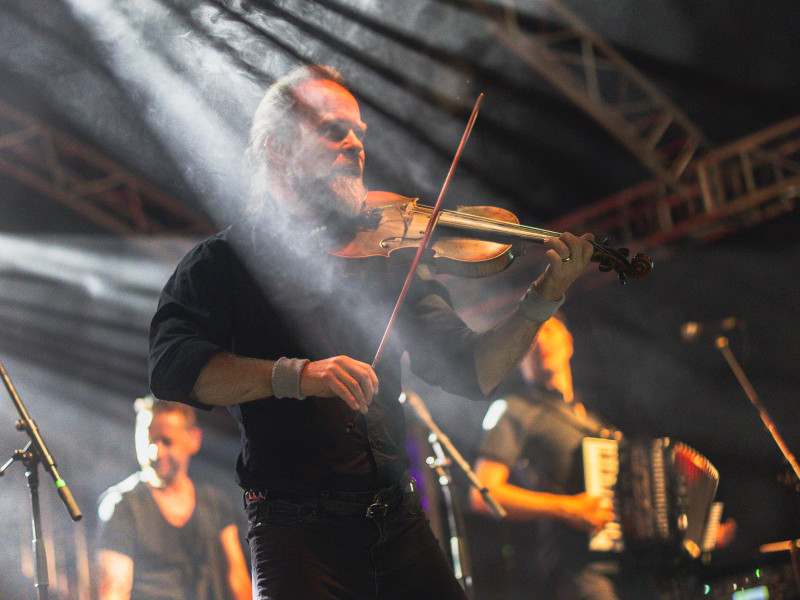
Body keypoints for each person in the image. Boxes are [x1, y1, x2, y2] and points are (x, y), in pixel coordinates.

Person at [148, 64, 594, 600]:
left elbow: (474, 371)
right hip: (297, 534)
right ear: (278, 149)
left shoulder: (388, 255)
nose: (356, 145)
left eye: (359, 132)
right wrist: (298, 376)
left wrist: (541, 299)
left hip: (398, 520)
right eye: (334, 130)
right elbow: (172, 368)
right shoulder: (222, 262)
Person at [470, 316, 735, 600]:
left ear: (568, 342)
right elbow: (483, 494)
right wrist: (567, 508)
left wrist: (698, 532)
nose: (540, 340)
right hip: (583, 570)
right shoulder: (513, 409)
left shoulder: (593, 421)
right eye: (529, 337)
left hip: (634, 569)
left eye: (548, 329)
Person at [96, 399, 252, 600]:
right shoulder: (121, 506)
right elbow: (114, 591)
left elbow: (237, 581)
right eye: (149, 440)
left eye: (167, 441)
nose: (155, 452)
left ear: (194, 440)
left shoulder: (215, 503)